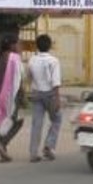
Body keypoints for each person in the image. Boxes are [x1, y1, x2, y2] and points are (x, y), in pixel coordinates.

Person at [0, 33, 24, 162]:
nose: (19, 46)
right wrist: (22, 95)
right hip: (10, 95)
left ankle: (3, 153)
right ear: (11, 45)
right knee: (17, 122)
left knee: (2, 122)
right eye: (18, 43)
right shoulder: (15, 58)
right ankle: (2, 144)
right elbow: (18, 78)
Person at [27, 34, 62, 162]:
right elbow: (56, 82)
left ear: (37, 46)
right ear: (50, 46)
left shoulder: (32, 60)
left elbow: (29, 76)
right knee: (57, 119)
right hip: (50, 94)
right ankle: (49, 145)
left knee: (37, 123)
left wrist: (29, 90)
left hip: (36, 93)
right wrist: (57, 99)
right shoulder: (54, 61)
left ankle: (33, 153)